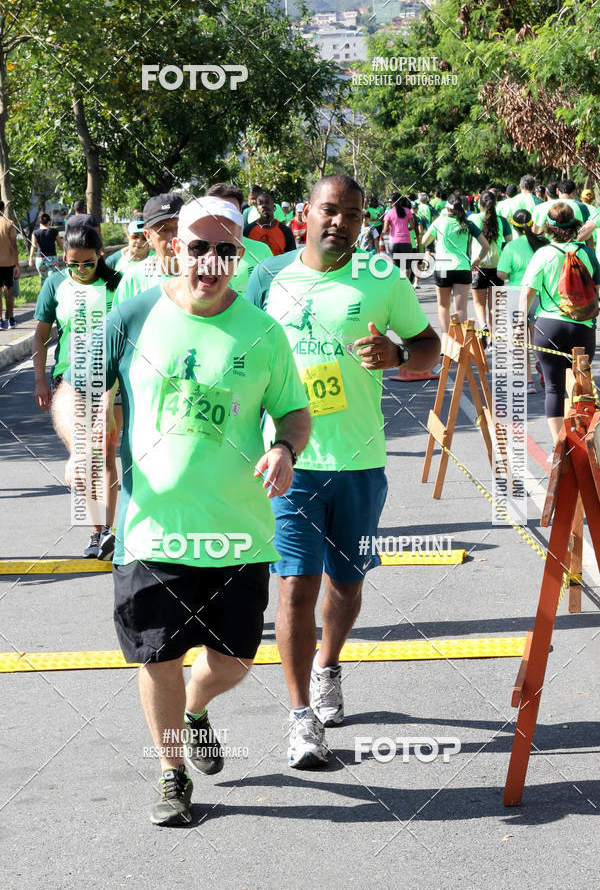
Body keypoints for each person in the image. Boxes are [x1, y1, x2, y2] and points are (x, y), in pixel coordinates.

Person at [51, 195, 311, 826]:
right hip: (151, 528)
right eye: (199, 247)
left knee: (237, 660)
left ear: (241, 255)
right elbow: (75, 391)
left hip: (238, 531)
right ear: (175, 247)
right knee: (156, 656)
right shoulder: (131, 314)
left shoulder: (264, 332)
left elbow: (296, 413)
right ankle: (172, 774)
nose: (211, 261)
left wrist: (284, 448)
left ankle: (198, 708)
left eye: (227, 249)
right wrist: (82, 445)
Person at [246, 174, 440, 769]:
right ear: (304, 213)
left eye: (353, 214)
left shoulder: (382, 277)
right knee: (296, 587)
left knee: (346, 585)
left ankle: (329, 666)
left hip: (360, 460)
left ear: (364, 220)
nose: (340, 222)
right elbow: (240, 351)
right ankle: (301, 717)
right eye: (329, 210)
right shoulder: (268, 277)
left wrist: (400, 356)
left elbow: (430, 347)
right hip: (290, 460)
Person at [33, 225, 123, 559]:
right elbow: (40, 335)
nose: (81, 270)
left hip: (111, 380)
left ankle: (104, 532)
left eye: (88, 263)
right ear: (64, 259)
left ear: (100, 255)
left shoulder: (117, 284)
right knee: (85, 453)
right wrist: (40, 380)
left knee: (106, 450)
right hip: (69, 381)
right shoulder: (54, 284)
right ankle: (98, 528)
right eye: (74, 264)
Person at [521, 203, 600, 444]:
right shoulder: (586, 253)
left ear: (549, 228)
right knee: (581, 386)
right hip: (582, 326)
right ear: (574, 225)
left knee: (554, 387)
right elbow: (596, 289)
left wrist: (519, 325)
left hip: (549, 327)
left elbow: (527, 294)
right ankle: (585, 441)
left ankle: (559, 445)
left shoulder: (543, 254)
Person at [421, 194, 489, 336]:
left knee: (443, 306)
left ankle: (446, 340)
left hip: (442, 268)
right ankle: (463, 342)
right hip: (462, 267)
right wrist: (476, 261)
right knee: (461, 309)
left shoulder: (439, 222)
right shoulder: (467, 223)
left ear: (446, 207)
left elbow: (424, 241)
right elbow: (485, 246)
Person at [497, 209, 548, 393]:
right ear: (533, 223)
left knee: (520, 340)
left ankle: (528, 383)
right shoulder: (542, 243)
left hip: (516, 295)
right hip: (539, 294)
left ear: (514, 225)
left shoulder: (510, 247)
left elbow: (501, 273)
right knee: (538, 339)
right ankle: (542, 365)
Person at [207, 182, 274, 296]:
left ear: (240, 214)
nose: (225, 216)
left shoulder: (262, 250)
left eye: (232, 211)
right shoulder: (196, 254)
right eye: (218, 211)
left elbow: (272, 293)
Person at [114, 193, 183, 303]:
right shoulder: (133, 279)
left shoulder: (205, 276)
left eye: (179, 227)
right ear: (148, 236)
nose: (173, 237)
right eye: (164, 230)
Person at [469, 191, 512, 336]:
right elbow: (510, 244)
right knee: (494, 306)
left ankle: (483, 326)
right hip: (497, 266)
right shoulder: (502, 221)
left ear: (479, 204)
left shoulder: (473, 219)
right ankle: (493, 339)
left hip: (478, 265)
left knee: (478, 303)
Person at [244, 191, 296, 256]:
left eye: (267, 202)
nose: (264, 206)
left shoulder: (286, 231)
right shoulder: (248, 231)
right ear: (257, 209)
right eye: (260, 204)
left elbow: (292, 256)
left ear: (274, 207)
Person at [382, 194, 417, 280]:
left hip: (393, 242)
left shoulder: (388, 213)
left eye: (390, 202)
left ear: (393, 202)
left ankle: (397, 286)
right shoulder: (408, 211)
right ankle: (406, 287)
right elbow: (412, 226)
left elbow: (385, 229)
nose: (390, 203)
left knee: (395, 267)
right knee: (406, 267)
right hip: (406, 242)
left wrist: (392, 232)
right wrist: (405, 229)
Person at [0, 201, 20, 329]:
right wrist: (16, 265)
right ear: (3, 208)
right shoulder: (9, 223)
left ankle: (0, 321)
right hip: (8, 263)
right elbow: (13, 246)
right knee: (9, 290)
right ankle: (11, 319)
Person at [29, 213, 62, 283]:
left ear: (40, 221)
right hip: (52, 259)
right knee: (53, 281)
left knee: (43, 280)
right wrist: (66, 253)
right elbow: (60, 244)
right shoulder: (54, 231)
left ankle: (44, 293)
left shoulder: (35, 233)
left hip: (40, 259)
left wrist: (30, 259)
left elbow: (33, 246)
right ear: (49, 221)